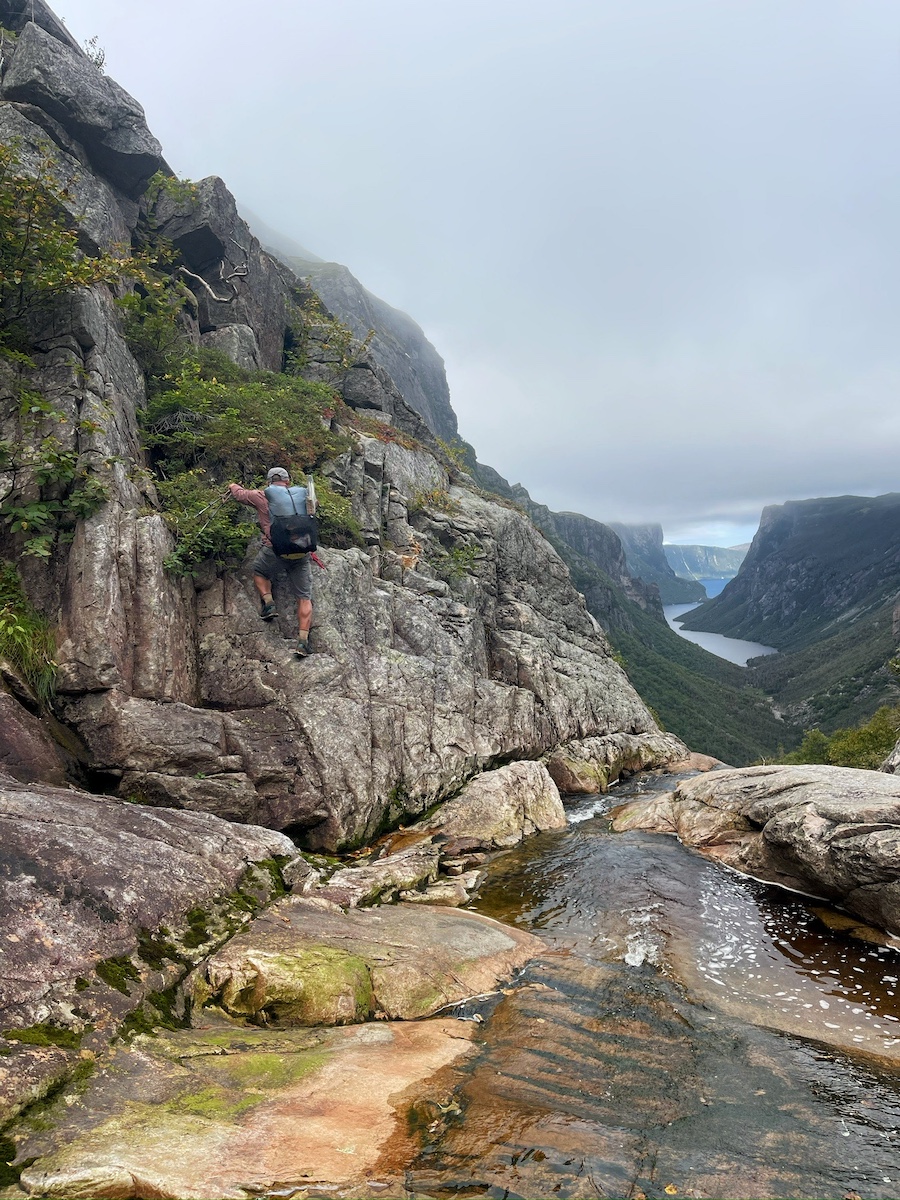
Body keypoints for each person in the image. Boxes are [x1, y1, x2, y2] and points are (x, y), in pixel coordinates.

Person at [227, 467, 316, 657]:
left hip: (275, 552)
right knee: (304, 597)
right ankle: (302, 642)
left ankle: (269, 603)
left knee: (259, 570)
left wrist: (232, 485)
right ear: (288, 481)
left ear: (269, 482)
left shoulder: (262, 496)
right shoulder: (303, 497)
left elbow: (240, 494)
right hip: (302, 554)